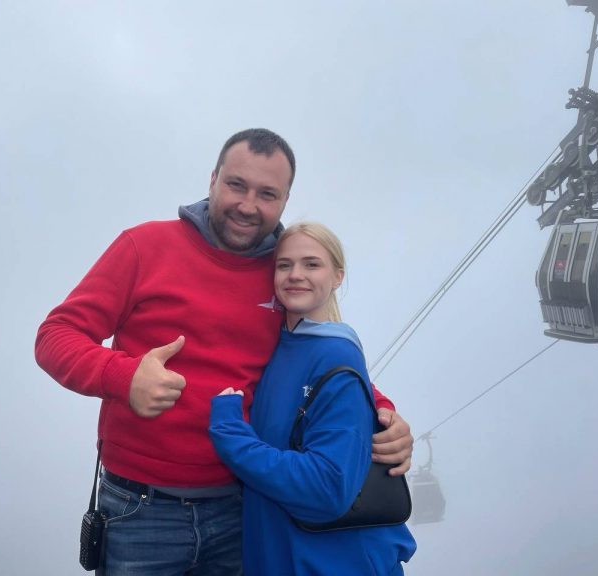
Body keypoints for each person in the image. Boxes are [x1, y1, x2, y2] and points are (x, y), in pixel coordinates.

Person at [34, 128, 413, 576]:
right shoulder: (144, 246)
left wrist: (382, 411)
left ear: (284, 201)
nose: (248, 205)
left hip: (245, 509)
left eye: (267, 194)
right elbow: (56, 335)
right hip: (140, 511)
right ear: (212, 179)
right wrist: (123, 376)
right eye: (237, 185)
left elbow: (313, 355)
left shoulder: (283, 270)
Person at [209, 222, 416, 575]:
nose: (295, 274)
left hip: (336, 562)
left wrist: (230, 433)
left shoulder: (335, 353)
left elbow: (327, 489)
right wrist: (382, 405)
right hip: (284, 553)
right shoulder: (282, 345)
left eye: (312, 264)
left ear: (337, 276)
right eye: (284, 265)